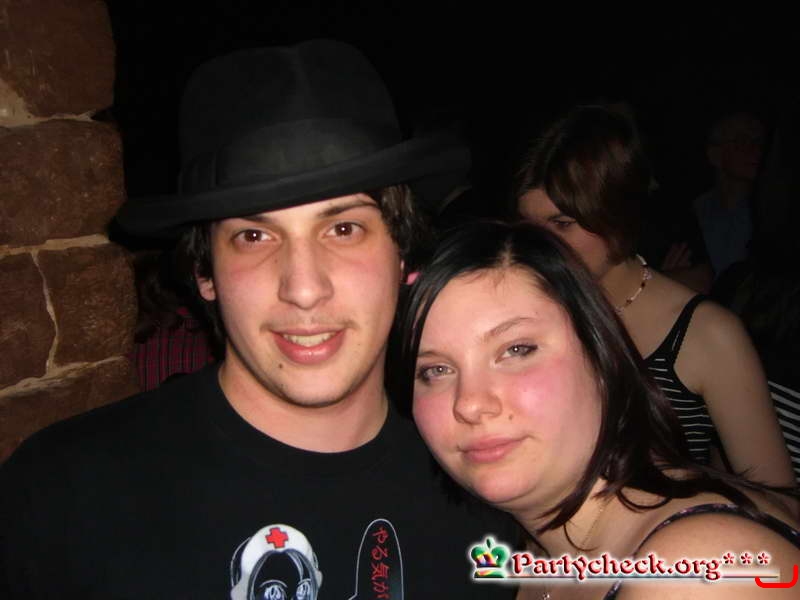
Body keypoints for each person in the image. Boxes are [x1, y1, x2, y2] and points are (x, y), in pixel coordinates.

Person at [0, 40, 517, 599]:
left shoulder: (484, 500)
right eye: (254, 236)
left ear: (403, 256)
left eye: (343, 229)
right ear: (205, 272)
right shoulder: (61, 496)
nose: (304, 288)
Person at [399, 220, 800, 599]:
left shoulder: (698, 577)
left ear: (601, 356)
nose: (470, 404)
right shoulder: (538, 550)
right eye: (435, 370)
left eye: (517, 349)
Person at [513, 105, 794, 489]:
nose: (541, 245)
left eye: (562, 223)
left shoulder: (706, 333)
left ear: (615, 215)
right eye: (529, 226)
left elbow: (777, 496)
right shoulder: (525, 310)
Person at [694, 111, 766, 280]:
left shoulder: (770, 212)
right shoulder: (697, 211)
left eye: (759, 142)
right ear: (715, 154)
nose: (755, 150)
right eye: (742, 141)